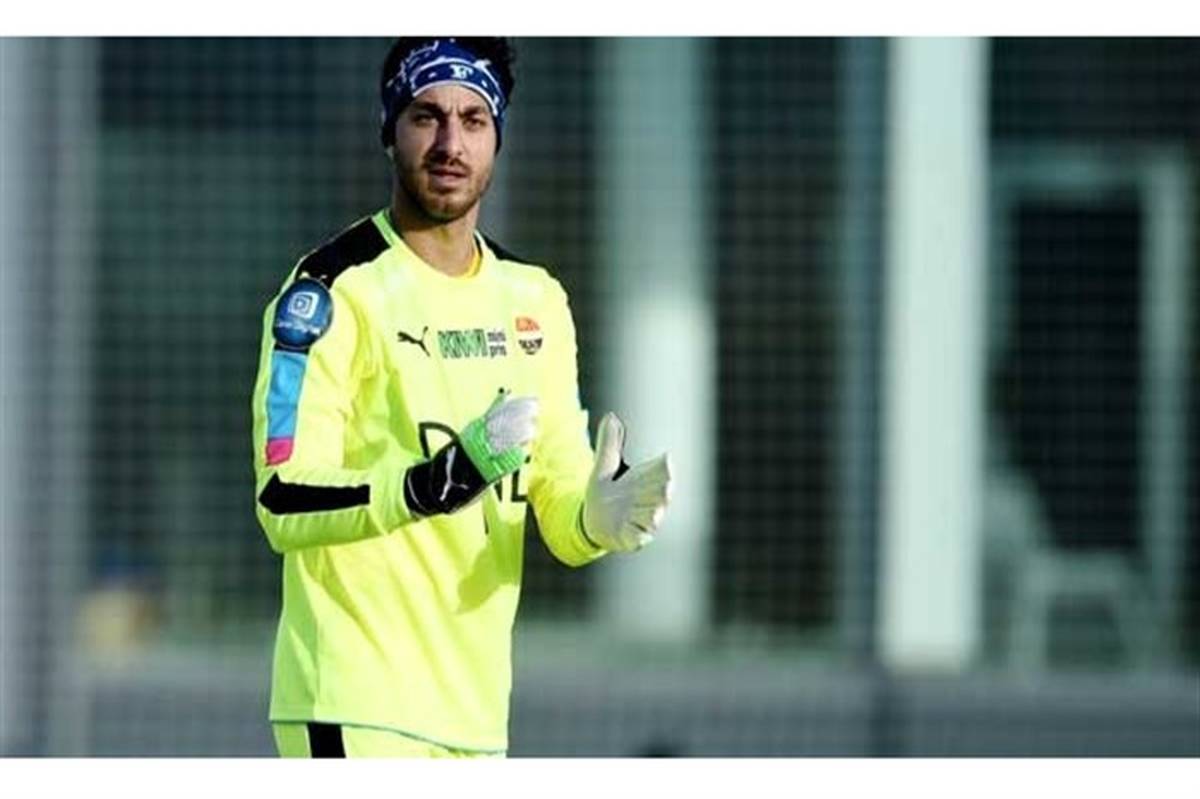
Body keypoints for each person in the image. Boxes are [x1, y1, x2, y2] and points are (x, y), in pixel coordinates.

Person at [250, 37, 673, 758]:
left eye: (474, 120)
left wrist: (598, 518)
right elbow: (281, 498)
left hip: (475, 720)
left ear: (497, 137)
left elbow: (559, 507)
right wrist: (426, 486)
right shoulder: (332, 291)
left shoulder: (535, 299)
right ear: (390, 130)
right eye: (427, 116)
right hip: (353, 703)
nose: (451, 144)